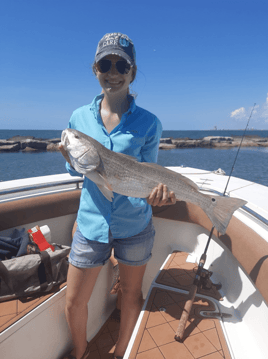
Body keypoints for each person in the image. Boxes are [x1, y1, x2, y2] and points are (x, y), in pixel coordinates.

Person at [60, 32, 176, 359]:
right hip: (91, 225)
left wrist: (158, 195)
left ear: (132, 72)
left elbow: (149, 175)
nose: (113, 71)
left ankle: (122, 352)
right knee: (74, 300)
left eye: (121, 64)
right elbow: (79, 171)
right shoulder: (78, 118)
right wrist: (71, 161)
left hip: (134, 225)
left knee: (130, 295)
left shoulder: (150, 123)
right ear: (95, 69)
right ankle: (80, 352)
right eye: (105, 64)